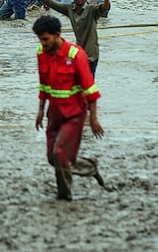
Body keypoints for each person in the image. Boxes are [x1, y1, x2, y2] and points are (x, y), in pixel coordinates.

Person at [33, 15, 104, 201]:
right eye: (40, 39)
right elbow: (44, 85)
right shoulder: (41, 52)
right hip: (54, 114)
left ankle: (64, 196)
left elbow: (90, 89)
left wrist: (94, 119)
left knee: (59, 153)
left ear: (57, 35)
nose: (43, 43)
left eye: (46, 39)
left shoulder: (75, 54)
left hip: (74, 114)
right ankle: (90, 168)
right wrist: (40, 110)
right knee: (52, 158)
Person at [35, 0, 110, 76]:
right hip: (77, 54)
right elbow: (51, 3)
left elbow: (104, 7)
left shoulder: (92, 10)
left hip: (91, 56)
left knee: (87, 84)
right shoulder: (70, 9)